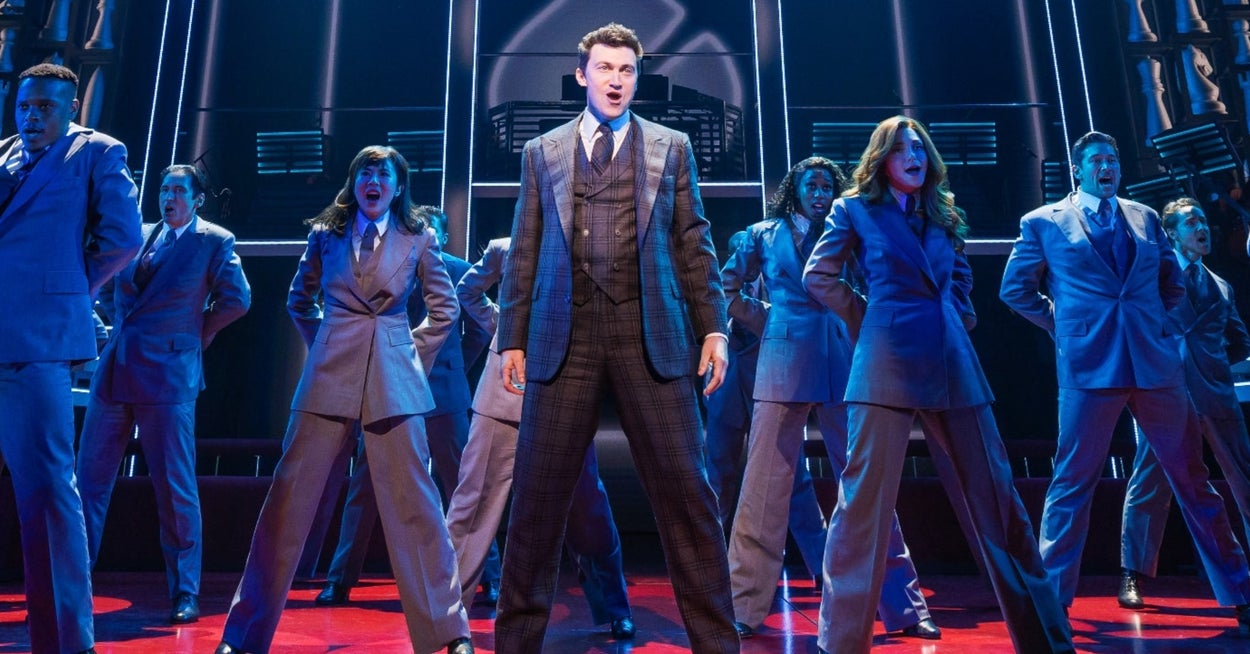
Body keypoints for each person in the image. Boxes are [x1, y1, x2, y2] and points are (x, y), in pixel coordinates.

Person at [494, 22, 738, 653]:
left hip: (650, 332)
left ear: (637, 78)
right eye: (604, 68)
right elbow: (524, 247)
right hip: (563, 336)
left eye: (626, 70)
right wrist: (511, 337)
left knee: (688, 495)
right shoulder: (543, 151)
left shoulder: (670, 146)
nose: (615, 80)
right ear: (582, 74)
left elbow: (694, 242)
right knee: (536, 503)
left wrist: (713, 327)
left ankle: (718, 644)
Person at [804, 115, 1073, 653]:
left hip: (952, 362)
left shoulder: (944, 212)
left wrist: (956, 314)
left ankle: (1047, 641)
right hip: (885, 362)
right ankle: (839, 644)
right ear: (882, 159)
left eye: (920, 148)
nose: (913, 157)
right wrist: (869, 319)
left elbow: (962, 277)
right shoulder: (854, 208)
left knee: (999, 501)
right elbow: (819, 276)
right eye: (901, 149)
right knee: (862, 510)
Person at [214, 146, 472, 654]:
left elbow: (445, 310)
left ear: (398, 186)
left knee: (418, 507)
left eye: (384, 174)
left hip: (395, 384)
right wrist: (327, 344)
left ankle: (448, 632)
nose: (374, 181)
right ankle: (243, 636)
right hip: (328, 379)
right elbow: (299, 300)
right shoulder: (324, 235)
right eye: (365, 173)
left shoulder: (418, 237)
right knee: (286, 501)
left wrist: (405, 356)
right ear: (354, 182)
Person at [1000, 132, 1250, 633]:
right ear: (1078, 170)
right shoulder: (1044, 221)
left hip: (1155, 367)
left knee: (1193, 479)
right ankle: (1051, 606)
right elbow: (1015, 290)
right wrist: (1065, 326)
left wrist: (1155, 323)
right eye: (1097, 159)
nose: (1107, 166)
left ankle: (1241, 592)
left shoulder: (1145, 217)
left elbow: (1171, 283)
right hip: (1090, 368)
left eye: (1113, 158)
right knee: (1071, 484)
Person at [722, 157, 938, 640]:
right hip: (782, 364)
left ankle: (905, 606)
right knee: (762, 491)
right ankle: (743, 606)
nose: (819, 192)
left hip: (843, 362)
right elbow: (726, 288)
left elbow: (877, 285)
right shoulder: (761, 235)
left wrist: (855, 320)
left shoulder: (849, 231)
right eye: (811, 184)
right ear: (794, 189)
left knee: (866, 484)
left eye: (826, 185)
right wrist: (768, 321)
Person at [0, 62, 142, 654]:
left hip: (38, 345)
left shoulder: (96, 152)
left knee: (49, 495)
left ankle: (64, 643)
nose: (32, 117)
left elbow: (124, 238)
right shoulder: (3, 154)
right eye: (24, 106)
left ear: (72, 108)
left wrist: (68, 288)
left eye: (45, 107)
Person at [77, 164, 250, 626]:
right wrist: (109, 333)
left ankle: (185, 591)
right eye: (164, 189)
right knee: (88, 484)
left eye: (178, 190)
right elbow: (106, 287)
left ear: (197, 199)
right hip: (115, 373)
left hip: (168, 377)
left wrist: (196, 334)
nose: (168, 197)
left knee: (174, 489)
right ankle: (72, 583)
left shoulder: (213, 240)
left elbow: (237, 300)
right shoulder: (138, 235)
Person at [444, 236, 635, 639]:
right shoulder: (504, 247)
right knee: (473, 505)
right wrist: (503, 330)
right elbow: (468, 291)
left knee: (588, 511)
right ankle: (445, 613)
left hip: (566, 394)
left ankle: (614, 606)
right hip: (502, 395)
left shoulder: (589, 248)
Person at [311, 207, 501, 608]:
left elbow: (479, 331)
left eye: (432, 230)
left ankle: (489, 577)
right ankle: (340, 580)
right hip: (388, 392)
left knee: (463, 486)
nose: (423, 234)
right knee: (364, 486)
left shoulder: (458, 270)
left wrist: (454, 368)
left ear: (443, 238)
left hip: (443, 394)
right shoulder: (387, 265)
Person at [1115, 198, 1250, 608]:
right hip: (1166, 396)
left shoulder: (1220, 286)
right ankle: (1132, 574)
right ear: (1172, 233)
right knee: (1149, 483)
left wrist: (1211, 366)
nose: (1201, 228)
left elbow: (1240, 341)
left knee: (1245, 479)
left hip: (1216, 396)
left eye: (1203, 220)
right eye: (1191, 222)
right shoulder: (1154, 280)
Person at [704, 229, 828, 587]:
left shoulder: (781, 282)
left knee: (795, 475)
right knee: (718, 474)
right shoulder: (724, 288)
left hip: (771, 375)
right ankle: (709, 563)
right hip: (729, 384)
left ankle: (821, 566)